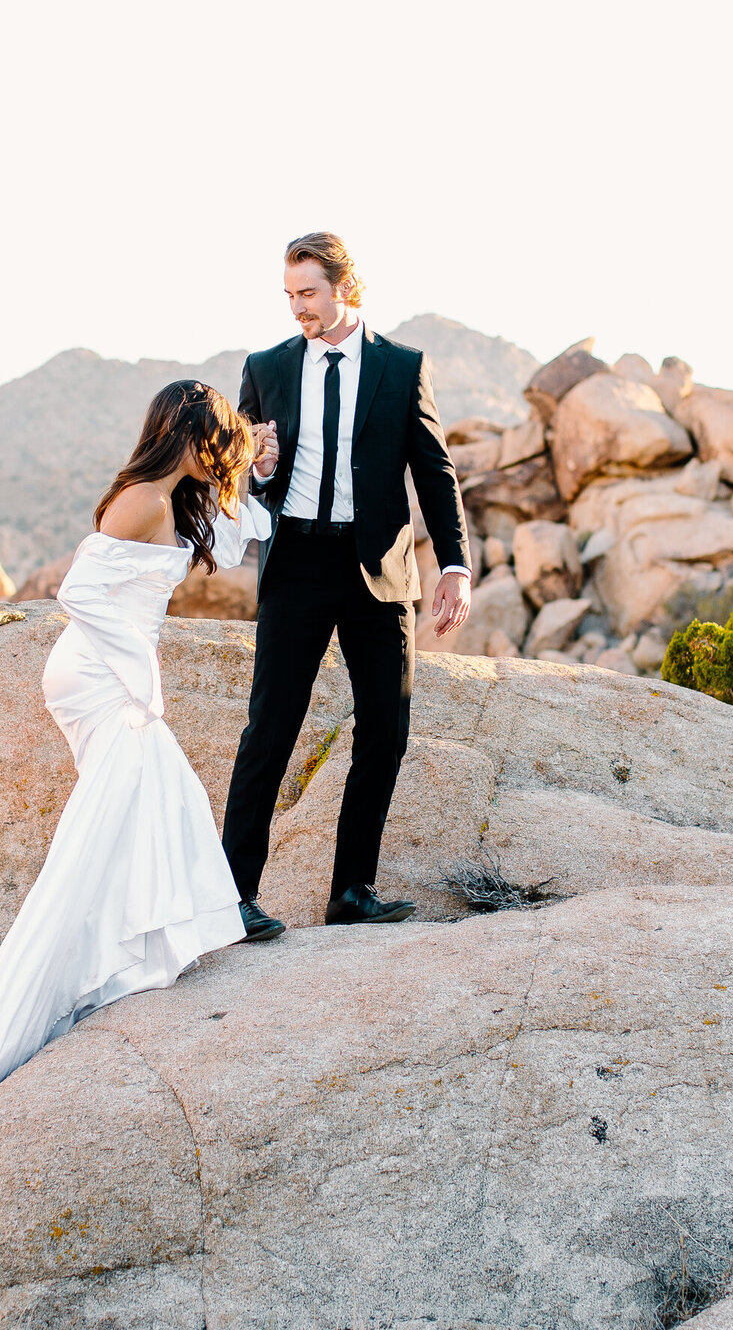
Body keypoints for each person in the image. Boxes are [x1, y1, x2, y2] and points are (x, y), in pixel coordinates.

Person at [0, 379, 271, 1149]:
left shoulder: (172, 497)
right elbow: (80, 593)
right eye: (220, 443)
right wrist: (141, 672)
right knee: (104, 829)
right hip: (99, 673)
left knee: (156, 797)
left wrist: (253, 470)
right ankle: (46, 987)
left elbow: (239, 539)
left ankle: (124, 951)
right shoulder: (141, 500)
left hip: (108, 672)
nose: (222, 459)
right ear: (189, 437)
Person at [222, 233, 472, 941]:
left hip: (378, 571)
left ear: (344, 288)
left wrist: (454, 565)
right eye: (290, 295)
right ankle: (233, 896)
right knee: (269, 731)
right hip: (296, 561)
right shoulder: (266, 367)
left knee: (385, 732)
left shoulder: (401, 367)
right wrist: (262, 470)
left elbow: (434, 471)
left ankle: (352, 890)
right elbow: (249, 473)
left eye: (309, 292)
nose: (298, 307)